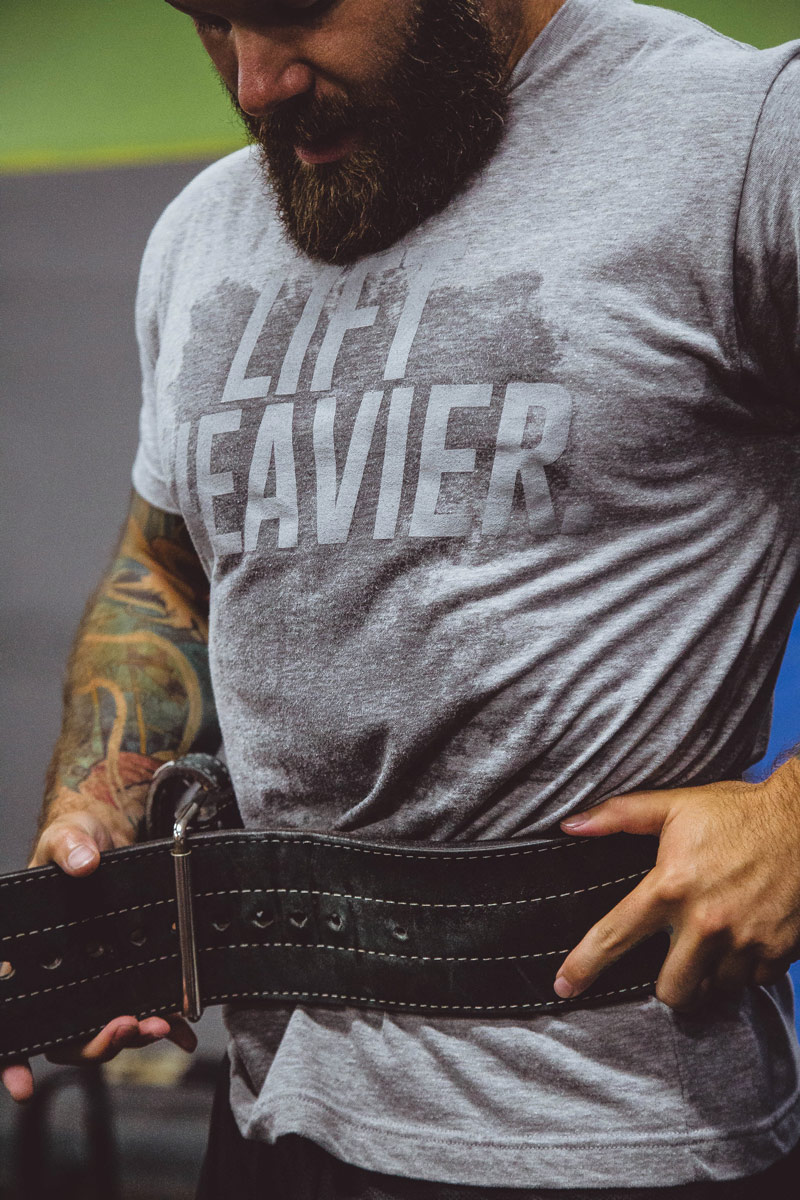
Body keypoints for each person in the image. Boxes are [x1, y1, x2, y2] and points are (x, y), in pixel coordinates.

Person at [4, 0, 800, 1194]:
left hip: (617, 1135)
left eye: (288, 11)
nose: (256, 81)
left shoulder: (747, 141)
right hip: (276, 1116)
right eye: (211, 22)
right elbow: (165, 567)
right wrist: (99, 811)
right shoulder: (203, 231)